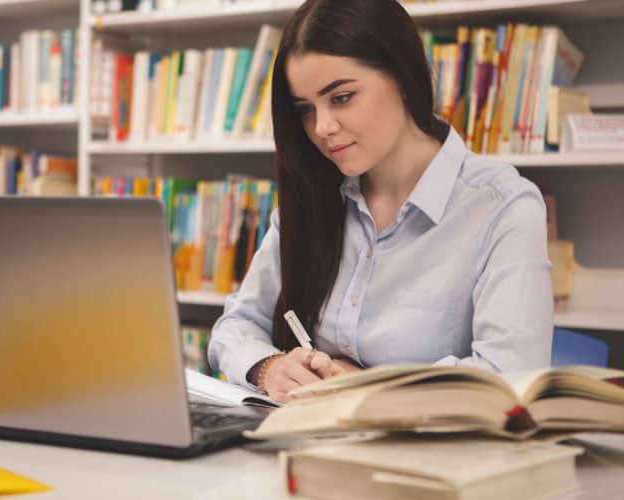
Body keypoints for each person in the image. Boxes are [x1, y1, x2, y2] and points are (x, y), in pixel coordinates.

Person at [208, 0, 553, 403]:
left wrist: (367, 387)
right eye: (305, 109)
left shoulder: (503, 207)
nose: (322, 128)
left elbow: (510, 376)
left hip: (440, 458)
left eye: (341, 98)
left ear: (403, 77)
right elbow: (235, 325)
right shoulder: (314, 199)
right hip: (308, 446)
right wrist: (270, 368)